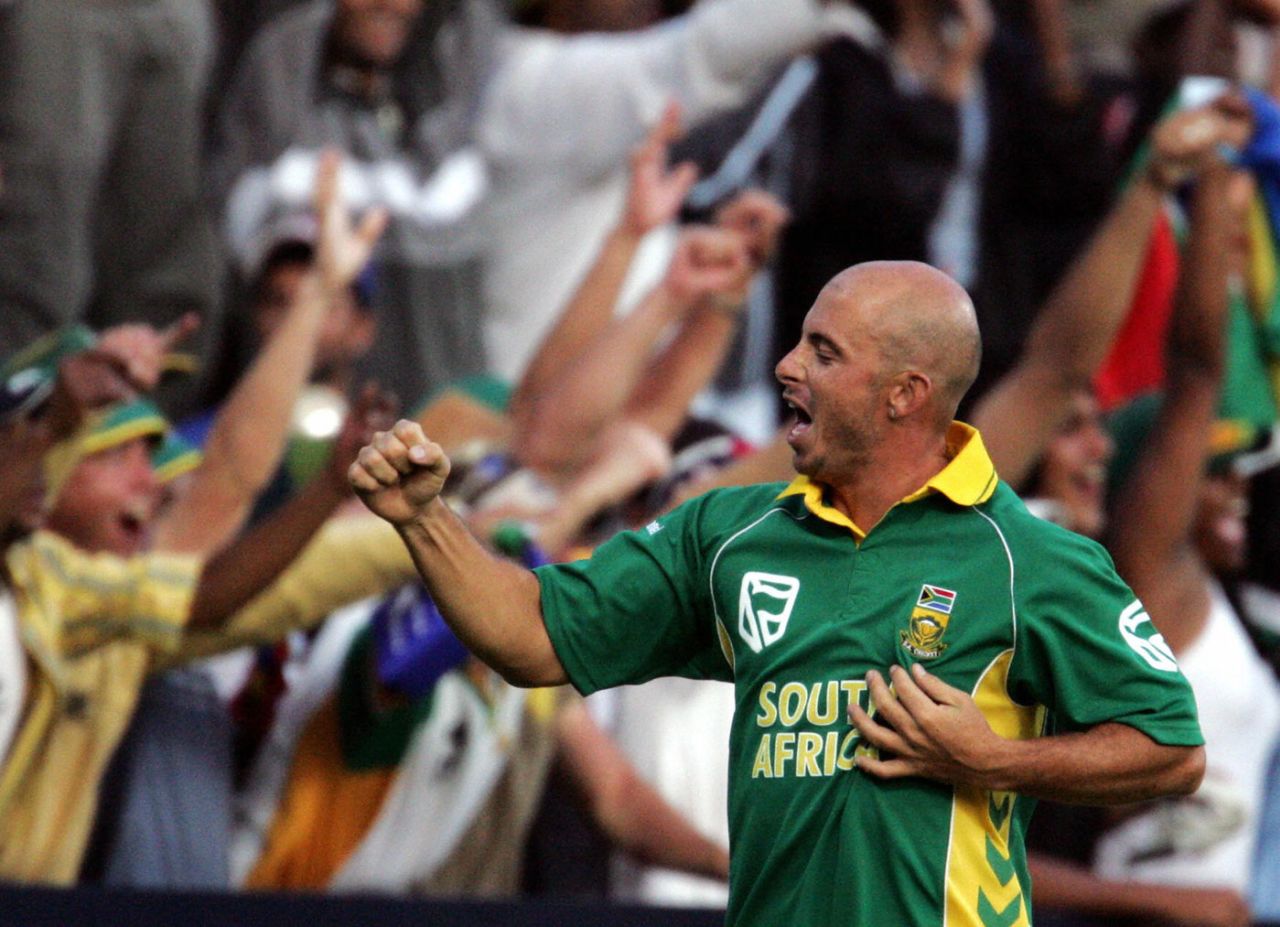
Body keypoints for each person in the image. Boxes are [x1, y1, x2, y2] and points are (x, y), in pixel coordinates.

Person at [350, 258, 1207, 925]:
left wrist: (992, 760)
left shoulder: (1029, 560)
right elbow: (532, 637)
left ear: (905, 395)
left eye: (825, 352)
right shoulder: (729, 536)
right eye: (801, 340)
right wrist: (425, 519)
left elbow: (1172, 750)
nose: (787, 365)